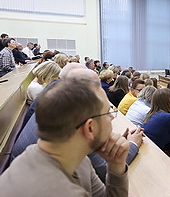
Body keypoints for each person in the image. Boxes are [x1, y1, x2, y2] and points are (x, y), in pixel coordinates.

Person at [0, 77, 143, 197]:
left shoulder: (75, 158)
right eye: (109, 113)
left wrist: (116, 164)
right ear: (90, 128)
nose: (112, 117)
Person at [12, 68, 143, 183]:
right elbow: (105, 172)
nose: (111, 117)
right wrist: (132, 145)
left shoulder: (55, 104)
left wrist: (113, 143)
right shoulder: (75, 125)